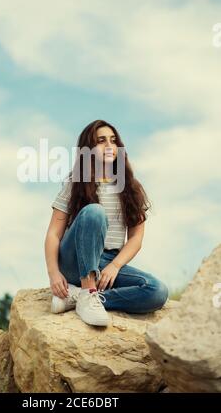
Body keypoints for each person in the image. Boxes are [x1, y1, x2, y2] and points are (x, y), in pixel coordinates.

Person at [44, 119, 169, 327]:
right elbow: (53, 235)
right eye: (101, 141)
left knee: (157, 291)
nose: (110, 146)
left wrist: (115, 266)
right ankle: (88, 289)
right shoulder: (75, 184)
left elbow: (136, 238)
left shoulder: (131, 187)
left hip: (108, 261)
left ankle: (82, 297)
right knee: (94, 212)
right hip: (75, 260)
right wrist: (53, 273)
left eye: (113, 140)